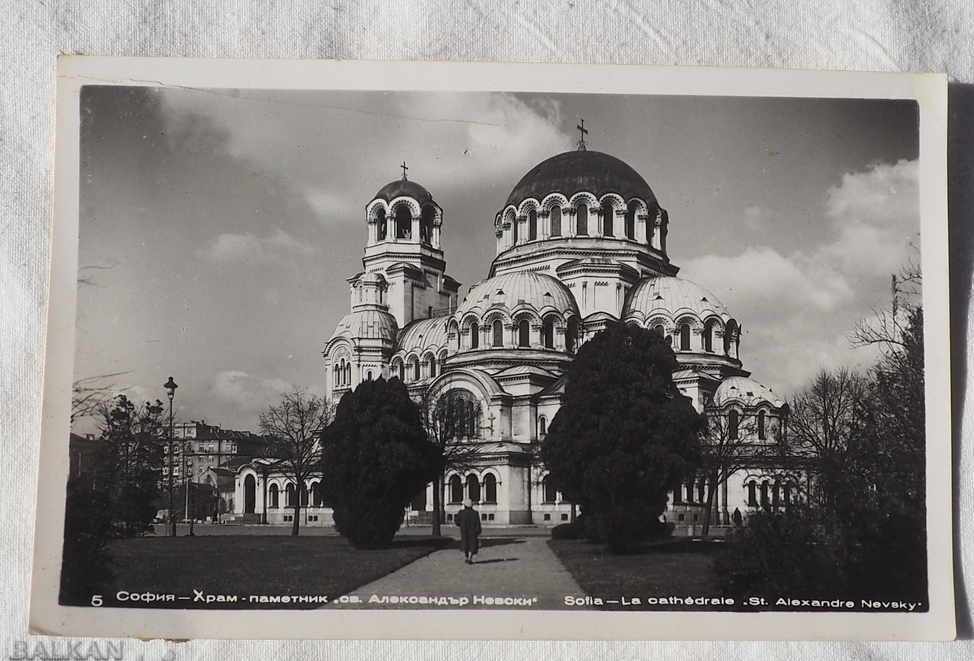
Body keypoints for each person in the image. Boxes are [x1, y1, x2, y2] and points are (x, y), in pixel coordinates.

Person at [455, 498, 482, 564]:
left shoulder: (461, 512)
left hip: (464, 531)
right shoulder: (475, 513)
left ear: (464, 505)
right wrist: (478, 531)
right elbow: (478, 523)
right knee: (472, 545)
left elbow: (457, 521)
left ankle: (466, 557)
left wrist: (460, 525)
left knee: (465, 544)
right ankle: (470, 558)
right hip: (473, 532)